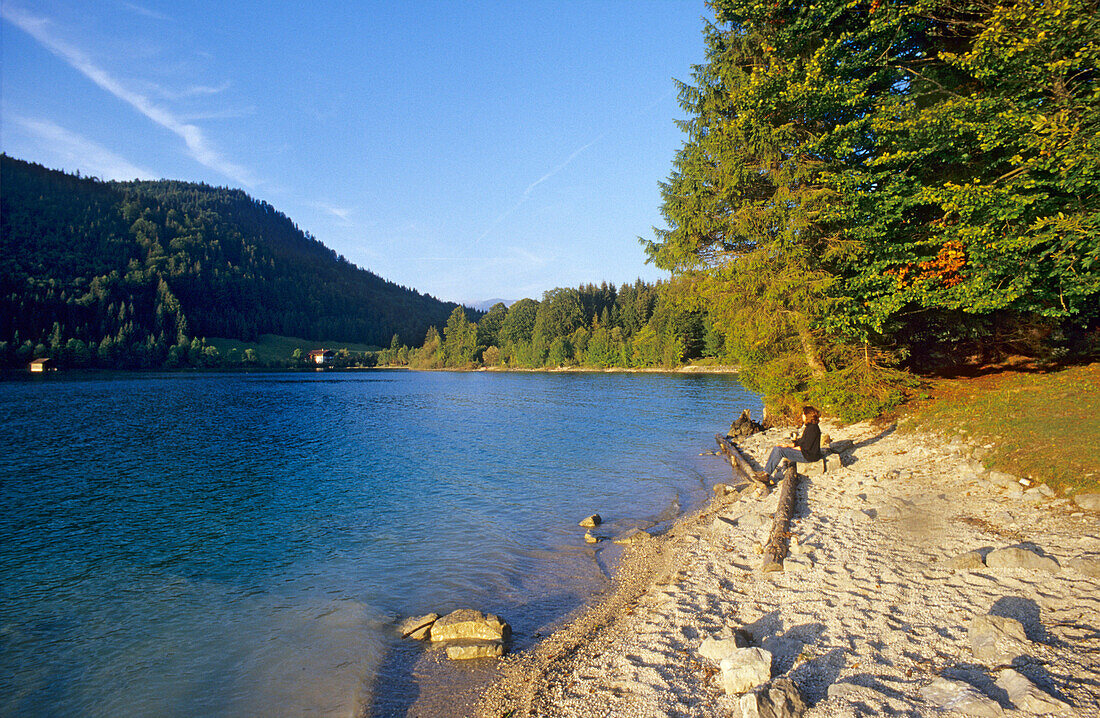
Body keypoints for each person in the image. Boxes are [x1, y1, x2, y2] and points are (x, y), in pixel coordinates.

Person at [755, 406, 822, 483]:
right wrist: (788, 446)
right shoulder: (810, 427)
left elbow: (805, 447)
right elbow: (802, 442)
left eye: (803, 414)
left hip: (809, 456)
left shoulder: (812, 429)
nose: (802, 416)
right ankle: (765, 471)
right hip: (807, 453)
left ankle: (766, 474)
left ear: (807, 416)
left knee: (779, 450)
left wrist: (791, 449)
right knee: (779, 447)